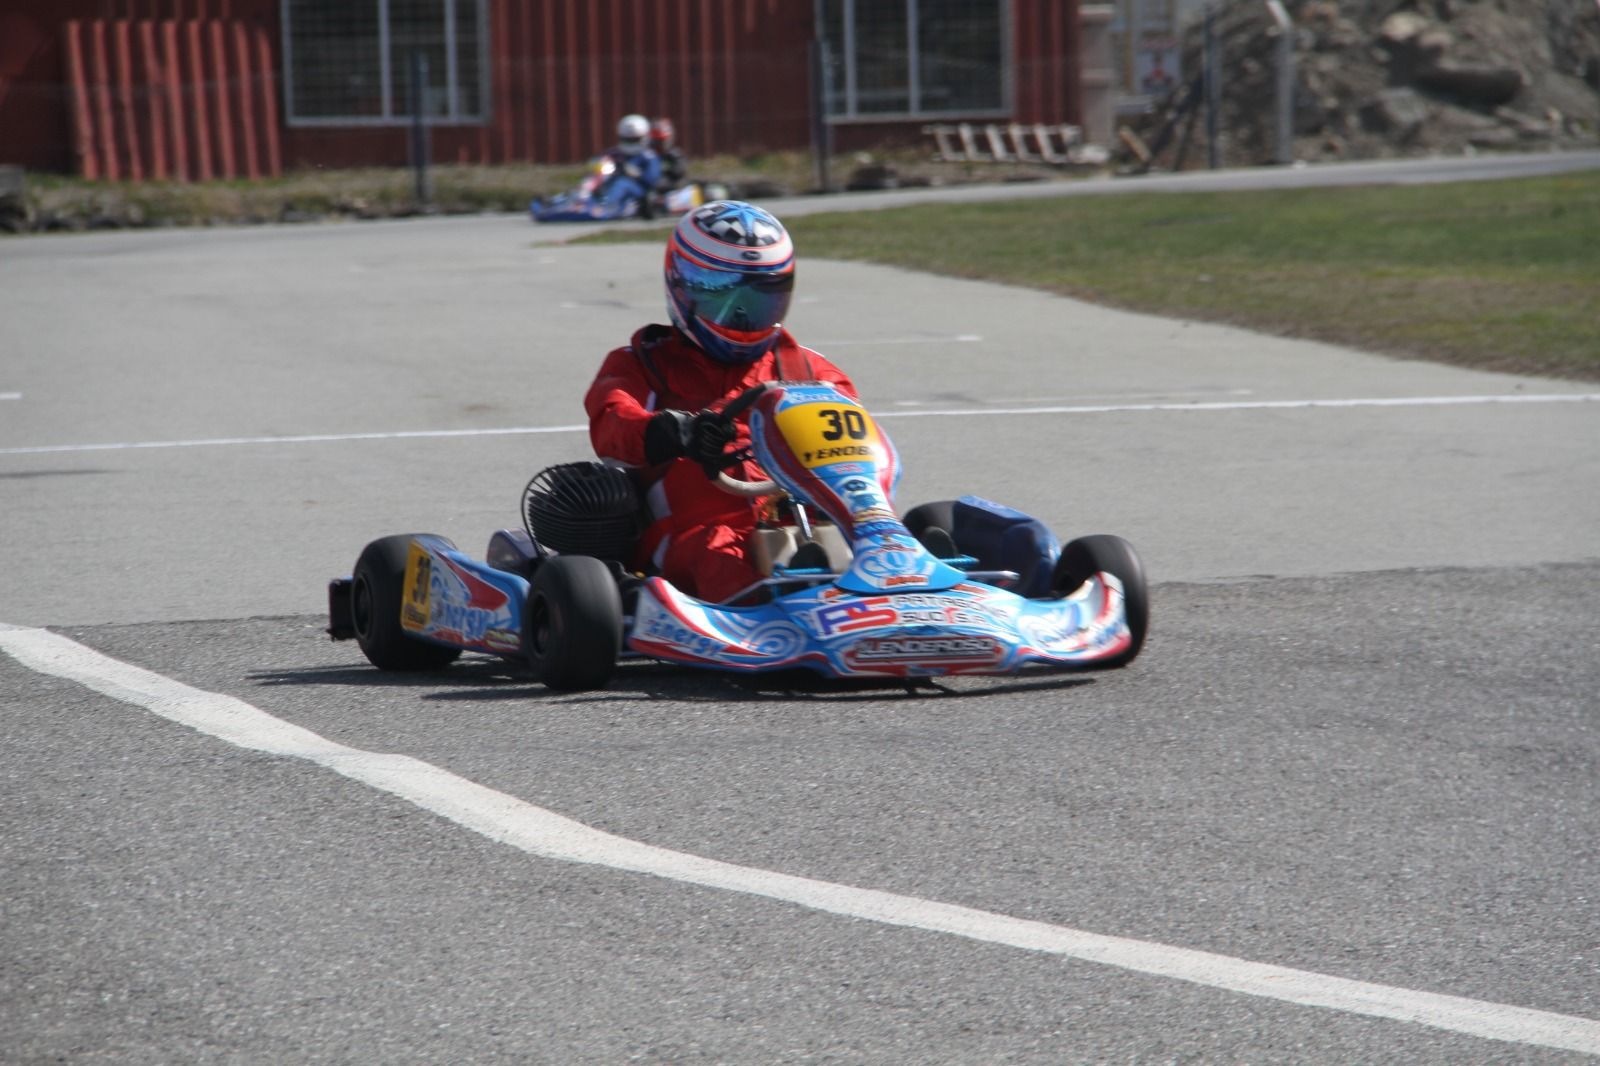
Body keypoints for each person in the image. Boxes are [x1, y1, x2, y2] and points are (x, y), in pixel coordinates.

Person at [585, 201, 857, 602]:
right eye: (722, 298)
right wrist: (674, 430)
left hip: (805, 521)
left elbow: (858, 439)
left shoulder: (804, 368)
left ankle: (909, 583)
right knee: (721, 558)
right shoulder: (641, 365)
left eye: (760, 299)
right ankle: (782, 611)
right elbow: (612, 422)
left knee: (872, 537)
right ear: (681, 286)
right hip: (692, 535)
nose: (742, 317)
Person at [609, 113, 661, 212]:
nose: (631, 143)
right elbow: (601, 162)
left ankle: (609, 207)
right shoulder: (615, 154)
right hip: (611, 184)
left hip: (639, 191)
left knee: (622, 183)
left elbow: (652, 180)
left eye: (634, 140)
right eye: (628, 140)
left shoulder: (649, 156)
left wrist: (636, 174)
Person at [650, 117, 688, 194]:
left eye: (662, 141)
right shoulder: (649, 155)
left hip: (672, 188)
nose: (660, 144)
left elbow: (678, 172)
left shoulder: (676, 155)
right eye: (658, 141)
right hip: (652, 188)